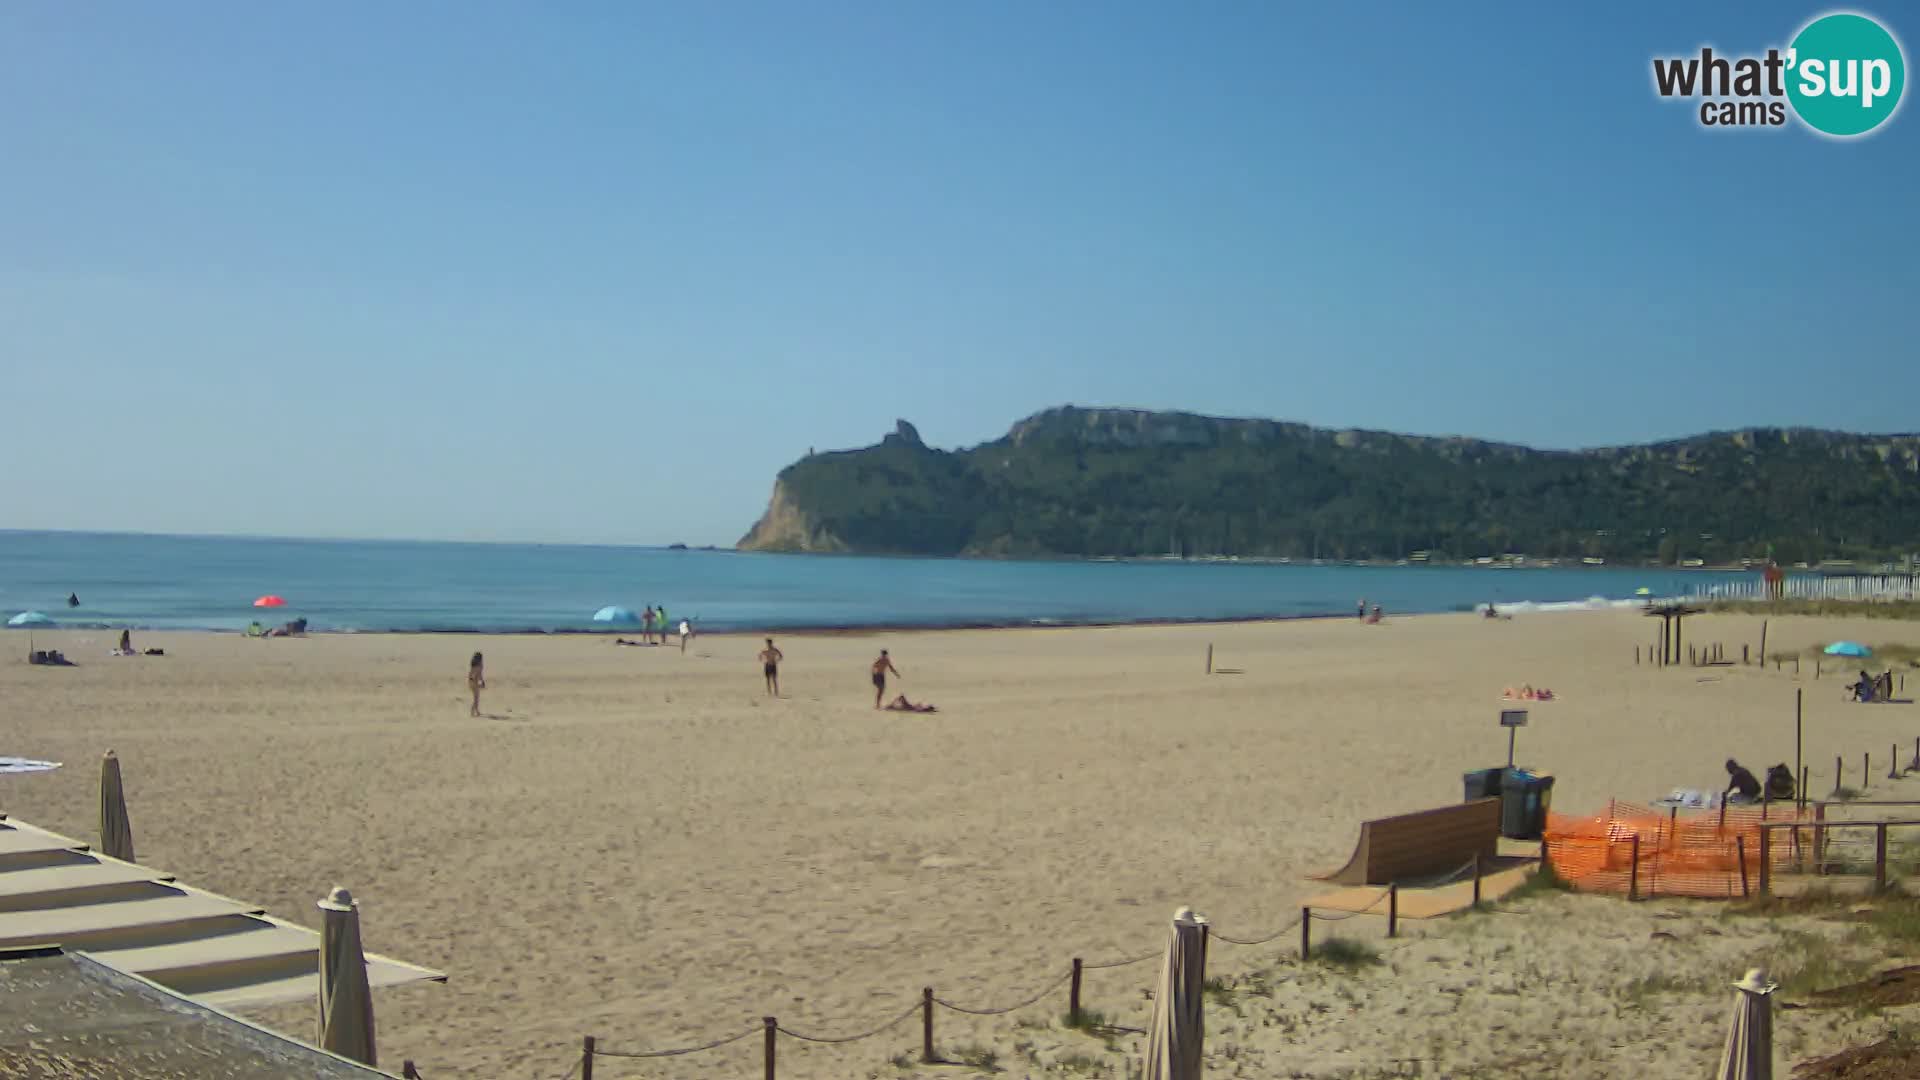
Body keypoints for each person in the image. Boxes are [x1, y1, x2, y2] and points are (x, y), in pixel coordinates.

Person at [468, 652, 486, 717]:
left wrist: (482, 681)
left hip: (473, 682)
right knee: (476, 698)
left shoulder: (476, 665)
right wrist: (478, 681)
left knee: (477, 698)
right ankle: (472, 712)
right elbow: (473, 675)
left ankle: (477, 711)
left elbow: (479, 674)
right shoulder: (477, 666)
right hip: (473, 682)